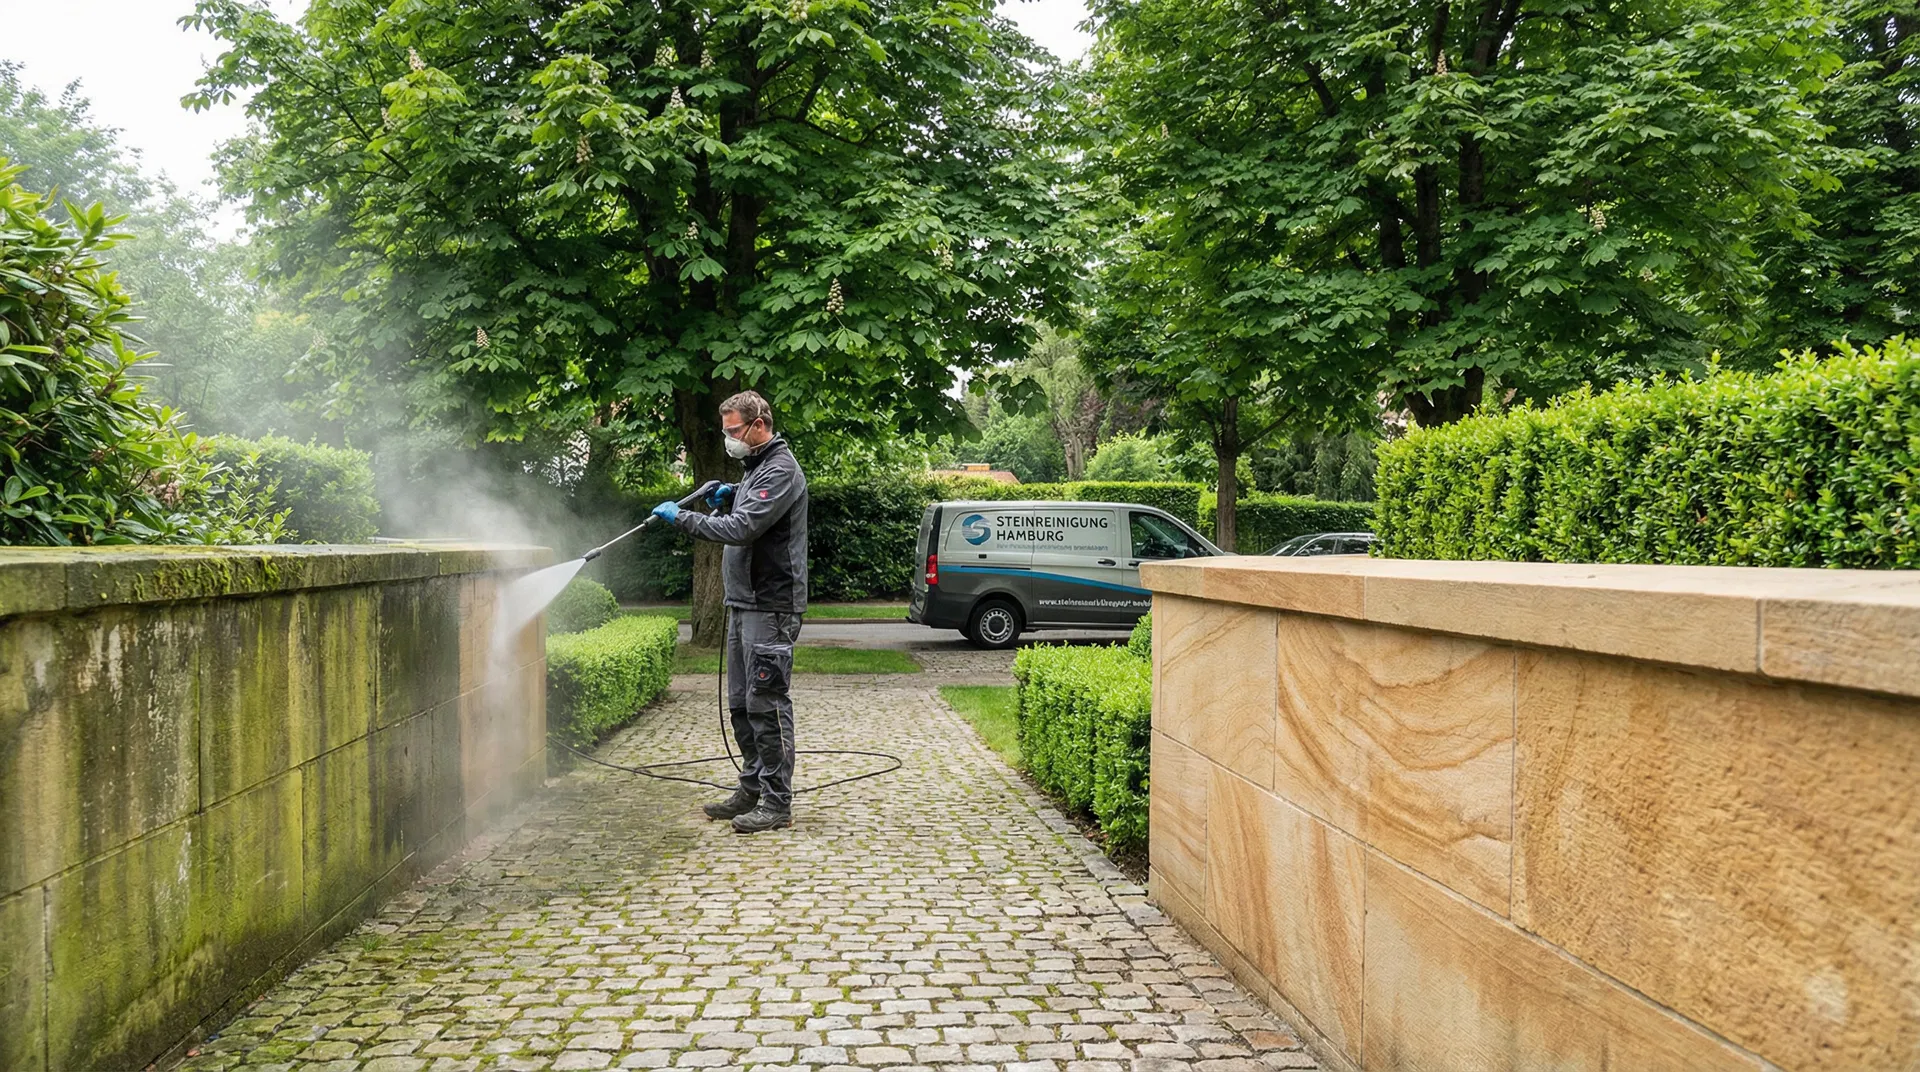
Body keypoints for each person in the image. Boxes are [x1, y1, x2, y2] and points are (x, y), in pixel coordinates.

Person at [651, 390, 808, 833]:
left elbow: (743, 528)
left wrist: (683, 519)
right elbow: (748, 505)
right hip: (744, 602)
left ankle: (776, 802)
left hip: (771, 604)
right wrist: (732, 494)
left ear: (759, 425)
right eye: (726, 431)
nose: (729, 439)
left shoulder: (780, 468)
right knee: (741, 704)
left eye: (734, 431)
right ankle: (751, 788)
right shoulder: (756, 468)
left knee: (766, 703)